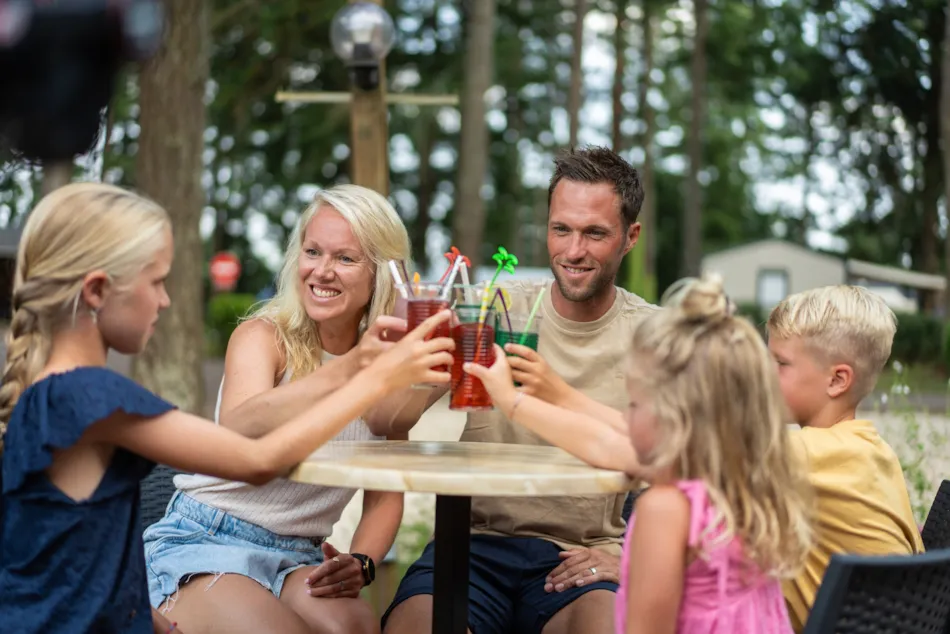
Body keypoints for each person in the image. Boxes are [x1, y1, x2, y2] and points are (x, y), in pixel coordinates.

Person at [0, 183, 454, 634]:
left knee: (354, 624)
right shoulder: (97, 399)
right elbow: (255, 457)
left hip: (91, 611)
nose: (166, 300)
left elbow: (83, 546)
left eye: (346, 258)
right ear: (97, 290)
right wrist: (363, 372)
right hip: (184, 554)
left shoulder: (59, 395)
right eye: (157, 282)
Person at [145, 184, 441, 634]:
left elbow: (384, 486)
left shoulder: (390, 361)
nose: (322, 271)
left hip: (299, 556)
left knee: (358, 627)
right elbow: (240, 425)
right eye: (312, 252)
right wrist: (350, 371)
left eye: (345, 258)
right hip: (207, 536)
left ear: (382, 273)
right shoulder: (264, 336)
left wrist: (362, 560)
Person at [383, 146, 655, 634]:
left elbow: (692, 469)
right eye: (561, 229)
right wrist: (422, 373)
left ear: (630, 237)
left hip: (582, 557)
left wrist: (634, 560)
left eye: (595, 233)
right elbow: (390, 423)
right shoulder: (490, 308)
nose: (574, 251)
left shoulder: (656, 338)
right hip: (471, 543)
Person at [466, 275, 814, 633]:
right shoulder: (745, 491)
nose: (624, 419)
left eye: (634, 404)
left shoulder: (665, 509)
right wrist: (513, 402)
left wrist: (512, 401)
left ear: (674, 419)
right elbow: (601, 441)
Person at [766, 285, 924, 631]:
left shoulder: (805, 453)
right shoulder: (876, 450)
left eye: (780, 364)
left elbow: (667, 453)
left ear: (837, 380)